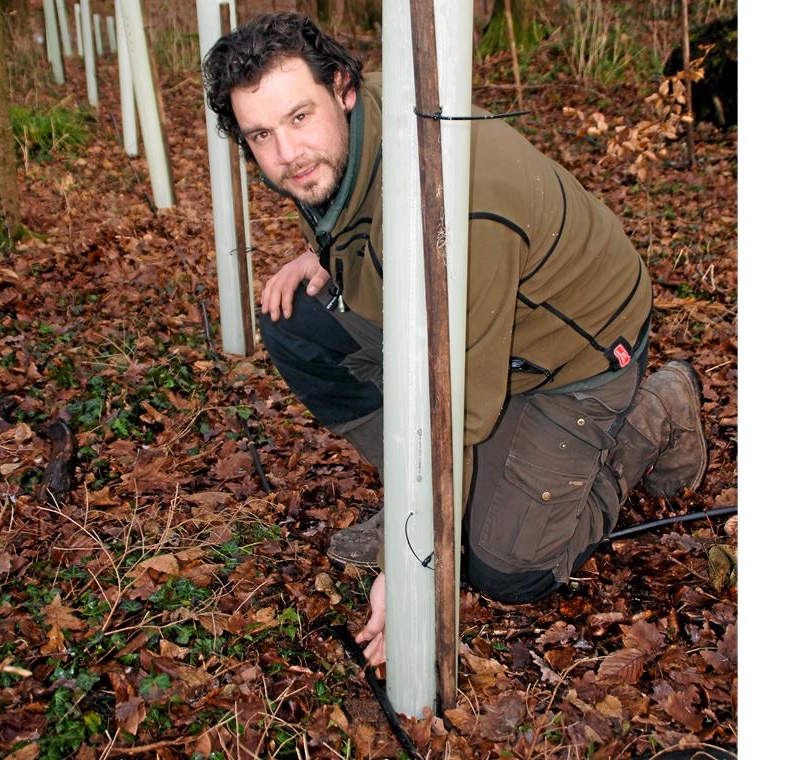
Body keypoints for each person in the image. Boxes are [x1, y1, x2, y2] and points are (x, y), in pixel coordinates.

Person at [201, 12, 706, 667]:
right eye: (261, 134)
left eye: (300, 118)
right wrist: (322, 254)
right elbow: (357, 208)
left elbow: (457, 399)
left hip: (571, 355)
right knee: (297, 318)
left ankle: (658, 407)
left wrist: (410, 571)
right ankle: (445, 498)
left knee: (509, 571)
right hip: (468, 327)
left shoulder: (454, 200)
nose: (286, 154)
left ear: (344, 89)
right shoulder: (347, 132)